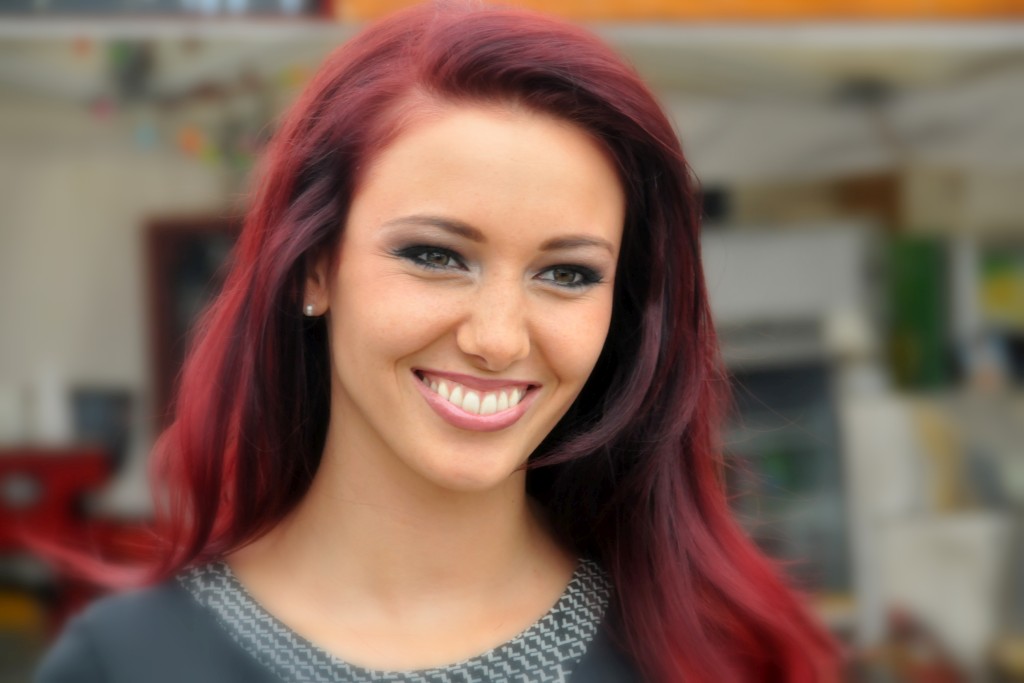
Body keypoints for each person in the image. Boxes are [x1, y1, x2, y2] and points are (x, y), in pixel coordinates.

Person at [37, 3, 839, 682]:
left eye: (566, 273)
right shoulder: (125, 662)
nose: (497, 338)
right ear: (315, 266)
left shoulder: (718, 654)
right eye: (435, 256)